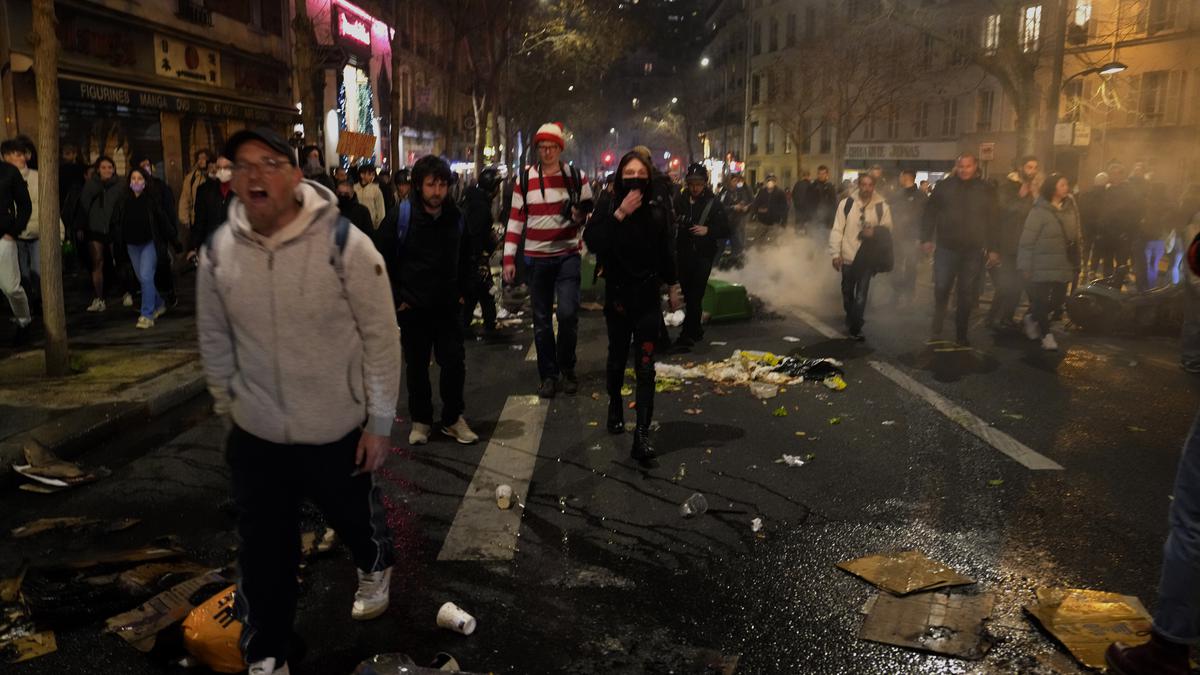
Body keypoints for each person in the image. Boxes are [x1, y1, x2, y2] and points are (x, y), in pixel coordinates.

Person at [197, 128, 401, 675]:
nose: (257, 175)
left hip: (334, 423)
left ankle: (374, 562)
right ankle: (269, 651)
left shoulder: (344, 244)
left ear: (294, 174)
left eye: (270, 162)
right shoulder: (219, 252)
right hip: (257, 432)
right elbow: (214, 338)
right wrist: (228, 405)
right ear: (232, 179)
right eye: (244, 164)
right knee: (264, 549)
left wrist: (378, 423)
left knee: (351, 516)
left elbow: (381, 336)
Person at [583, 150, 682, 466]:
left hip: (647, 299)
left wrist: (673, 284)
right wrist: (620, 213)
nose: (635, 179)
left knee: (646, 366)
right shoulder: (609, 204)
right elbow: (594, 241)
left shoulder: (656, 209)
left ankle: (642, 433)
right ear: (620, 177)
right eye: (629, 174)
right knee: (616, 357)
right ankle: (614, 402)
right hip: (618, 299)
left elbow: (666, 249)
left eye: (642, 173)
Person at [385, 155, 479, 447]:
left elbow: (467, 258)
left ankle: (452, 419)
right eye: (431, 184)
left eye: (442, 184)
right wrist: (397, 299)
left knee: (454, 364)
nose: (437, 191)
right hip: (413, 308)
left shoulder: (457, 217)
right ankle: (421, 421)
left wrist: (466, 293)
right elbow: (380, 261)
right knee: (416, 367)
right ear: (418, 186)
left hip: (448, 306)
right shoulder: (401, 216)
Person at [502, 122, 593, 398]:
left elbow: (590, 213)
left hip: (567, 256)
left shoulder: (577, 177)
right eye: (542, 147)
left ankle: (567, 369)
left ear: (560, 148)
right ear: (537, 149)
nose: (547, 152)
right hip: (536, 258)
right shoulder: (524, 178)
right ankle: (549, 376)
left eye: (552, 147)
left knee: (567, 315)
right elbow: (516, 219)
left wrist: (580, 217)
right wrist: (509, 258)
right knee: (541, 320)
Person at [921, 153, 996, 346]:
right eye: (961, 166)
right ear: (956, 166)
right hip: (946, 247)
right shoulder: (944, 187)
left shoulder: (985, 189)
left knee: (966, 293)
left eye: (968, 166)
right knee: (941, 288)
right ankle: (936, 327)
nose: (964, 170)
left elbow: (993, 219)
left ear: (975, 166)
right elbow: (930, 212)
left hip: (972, 250)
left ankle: (961, 334)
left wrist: (994, 248)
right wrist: (926, 238)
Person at [1016, 173, 1079, 352]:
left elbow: (1075, 237)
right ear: (1052, 188)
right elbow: (1027, 240)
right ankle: (1046, 335)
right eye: (1062, 185)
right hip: (1040, 263)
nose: (1066, 188)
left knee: (1058, 300)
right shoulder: (1038, 211)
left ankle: (1030, 316)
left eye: (1066, 184)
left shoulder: (1070, 209)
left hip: (1062, 263)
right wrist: (1025, 265)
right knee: (1042, 301)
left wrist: (1077, 260)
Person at [830, 173, 893, 341]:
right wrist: (836, 254)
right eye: (863, 185)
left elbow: (887, 230)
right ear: (859, 185)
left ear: (874, 186)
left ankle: (856, 326)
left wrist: (874, 232)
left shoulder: (882, 207)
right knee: (847, 291)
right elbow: (837, 229)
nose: (866, 188)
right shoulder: (847, 204)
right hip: (849, 255)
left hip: (867, 258)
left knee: (861, 295)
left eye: (869, 185)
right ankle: (851, 317)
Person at [110, 167, 175, 329]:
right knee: (143, 278)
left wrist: (174, 240)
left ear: (145, 182)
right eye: (133, 179)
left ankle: (147, 315)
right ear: (129, 182)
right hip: (132, 245)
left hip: (149, 243)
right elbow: (116, 222)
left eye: (140, 179)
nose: (136, 182)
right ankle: (159, 303)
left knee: (146, 276)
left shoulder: (151, 201)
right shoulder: (123, 200)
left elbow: (163, 221)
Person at [672, 163, 729, 348]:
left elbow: (725, 229)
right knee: (689, 295)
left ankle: (687, 333)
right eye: (692, 183)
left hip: (704, 254)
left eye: (699, 183)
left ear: (705, 183)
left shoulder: (714, 203)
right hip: (684, 252)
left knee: (696, 294)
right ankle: (696, 330)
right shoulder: (679, 200)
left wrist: (708, 230)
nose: (695, 187)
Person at [988, 155, 1040, 331]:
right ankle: (995, 318)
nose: (1032, 171)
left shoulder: (1034, 189)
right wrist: (1022, 195)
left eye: (1035, 168)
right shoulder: (1008, 187)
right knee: (1006, 285)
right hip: (1009, 244)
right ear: (1020, 168)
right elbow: (1003, 212)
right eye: (1029, 167)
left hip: (1027, 244)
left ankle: (1006, 318)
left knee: (1016, 285)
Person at [2, 139, 43, 311]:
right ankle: (27, 308)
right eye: (16, 154)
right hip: (15, 234)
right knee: (22, 275)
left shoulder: (36, 177)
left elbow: (43, 206)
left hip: (35, 231)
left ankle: (39, 304)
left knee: (38, 271)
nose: (21, 158)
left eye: (22, 154)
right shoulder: (6, 177)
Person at [79, 156, 123, 312]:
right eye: (103, 167)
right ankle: (99, 298)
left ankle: (125, 291)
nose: (107, 170)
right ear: (98, 169)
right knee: (97, 262)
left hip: (113, 228)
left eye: (110, 167)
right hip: (95, 228)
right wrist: (81, 228)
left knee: (119, 260)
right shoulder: (91, 185)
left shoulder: (120, 185)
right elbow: (83, 207)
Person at [461, 167, 501, 338]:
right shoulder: (480, 206)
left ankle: (483, 322)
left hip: (472, 257)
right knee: (480, 291)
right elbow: (476, 234)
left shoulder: (474, 200)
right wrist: (481, 256)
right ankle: (483, 323)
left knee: (478, 292)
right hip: (475, 258)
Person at [0, 146, 32, 345]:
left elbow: (24, 204)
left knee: (11, 287)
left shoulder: (8, 172)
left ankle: (24, 321)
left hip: (3, 237)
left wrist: (13, 231)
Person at [888, 168, 926, 304]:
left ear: (906, 177)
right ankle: (896, 293)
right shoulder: (897, 194)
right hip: (898, 237)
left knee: (911, 267)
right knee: (896, 266)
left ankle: (909, 294)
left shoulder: (920, 195)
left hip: (912, 237)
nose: (899, 179)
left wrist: (920, 238)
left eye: (901, 176)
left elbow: (923, 218)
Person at [1099, 163, 1143, 279]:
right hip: (1107, 233)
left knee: (1121, 263)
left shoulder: (1129, 191)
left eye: (1116, 174)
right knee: (1107, 261)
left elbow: (1134, 212)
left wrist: (1128, 231)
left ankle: (1117, 286)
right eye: (1111, 174)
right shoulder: (1107, 190)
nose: (1113, 176)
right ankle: (1106, 285)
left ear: (1121, 175)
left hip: (1122, 234)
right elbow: (1101, 210)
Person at [187, 156, 235, 261]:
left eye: (226, 167)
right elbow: (199, 221)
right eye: (219, 167)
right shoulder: (204, 191)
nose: (222, 170)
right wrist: (193, 247)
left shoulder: (242, 191)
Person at [718, 172, 753, 268]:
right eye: (734, 181)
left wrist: (745, 208)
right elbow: (720, 208)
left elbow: (748, 202)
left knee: (738, 248)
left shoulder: (739, 192)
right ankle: (715, 268)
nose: (736, 183)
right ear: (729, 181)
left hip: (736, 225)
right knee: (719, 248)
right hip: (724, 225)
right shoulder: (724, 192)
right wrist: (733, 207)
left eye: (737, 181)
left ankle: (735, 268)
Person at [178, 149, 211, 244]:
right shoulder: (191, 178)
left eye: (204, 158)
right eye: (199, 158)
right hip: (196, 219)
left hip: (212, 219)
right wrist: (185, 218)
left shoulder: (214, 174)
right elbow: (185, 198)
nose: (201, 161)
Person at [1079, 172, 1108, 275]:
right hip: (1100, 227)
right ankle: (1093, 270)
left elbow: (1082, 210)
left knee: (1086, 247)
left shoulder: (1087, 193)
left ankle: (1085, 266)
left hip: (1087, 226)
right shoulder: (1107, 194)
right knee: (1097, 249)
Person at [806, 165, 838, 230]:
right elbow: (808, 202)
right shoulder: (812, 186)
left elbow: (833, 204)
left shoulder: (830, 187)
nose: (821, 175)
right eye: (819, 173)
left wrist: (832, 221)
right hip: (814, 219)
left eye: (823, 173)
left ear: (827, 174)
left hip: (826, 219)